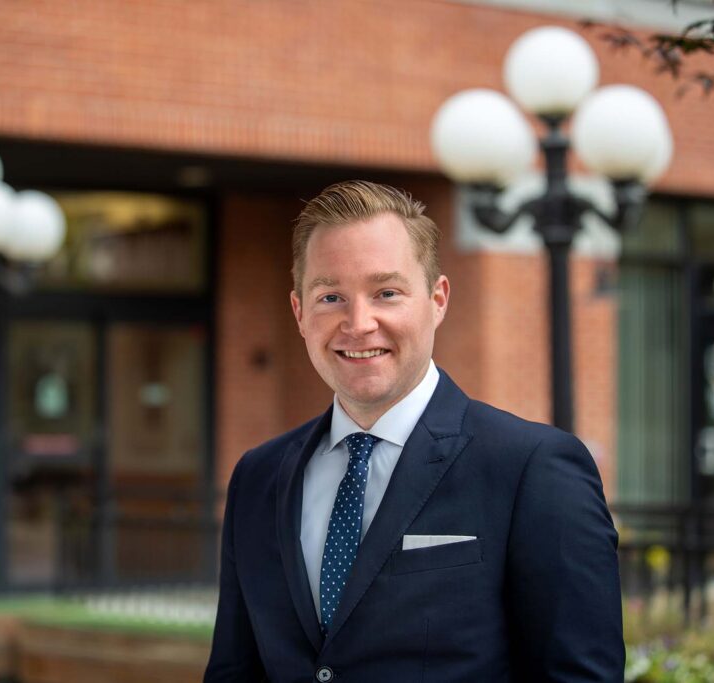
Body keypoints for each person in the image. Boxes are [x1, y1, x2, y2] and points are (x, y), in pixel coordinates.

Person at [204, 180, 624, 682]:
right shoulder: (259, 477)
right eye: (331, 296)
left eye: (386, 292)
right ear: (299, 312)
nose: (358, 323)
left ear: (438, 299)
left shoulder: (532, 468)